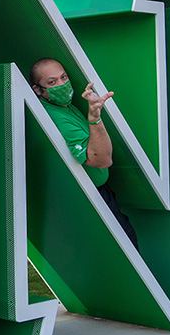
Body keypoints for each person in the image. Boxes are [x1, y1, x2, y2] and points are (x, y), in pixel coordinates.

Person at [28, 58, 138, 249]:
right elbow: (101, 160)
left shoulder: (64, 107)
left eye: (64, 78)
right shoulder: (56, 119)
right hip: (88, 200)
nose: (62, 85)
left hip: (99, 192)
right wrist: (95, 119)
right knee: (123, 249)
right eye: (52, 82)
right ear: (38, 90)